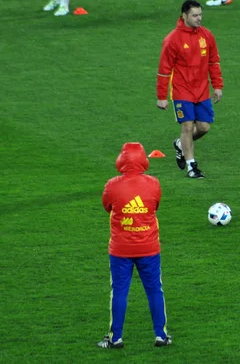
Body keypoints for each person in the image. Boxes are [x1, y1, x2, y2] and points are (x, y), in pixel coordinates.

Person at [97, 142, 172, 349]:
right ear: (143, 160)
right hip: (149, 247)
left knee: (119, 291)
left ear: (121, 159)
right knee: (155, 290)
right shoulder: (154, 183)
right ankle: (161, 335)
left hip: (121, 249)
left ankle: (115, 338)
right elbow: (155, 205)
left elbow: (107, 206)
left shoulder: (112, 184)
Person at [156, 0, 223, 179]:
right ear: (184, 16)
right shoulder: (172, 39)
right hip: (181, 90)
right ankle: (192, 167)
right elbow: (164, 70)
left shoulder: (207, 36)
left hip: (202, 90)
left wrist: (217, 85)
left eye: (200, 14)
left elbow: (213, 62)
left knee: (203, 127)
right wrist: (161, 96)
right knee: (187, 126)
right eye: (195, 15)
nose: (199, 18)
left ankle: (180, 144)